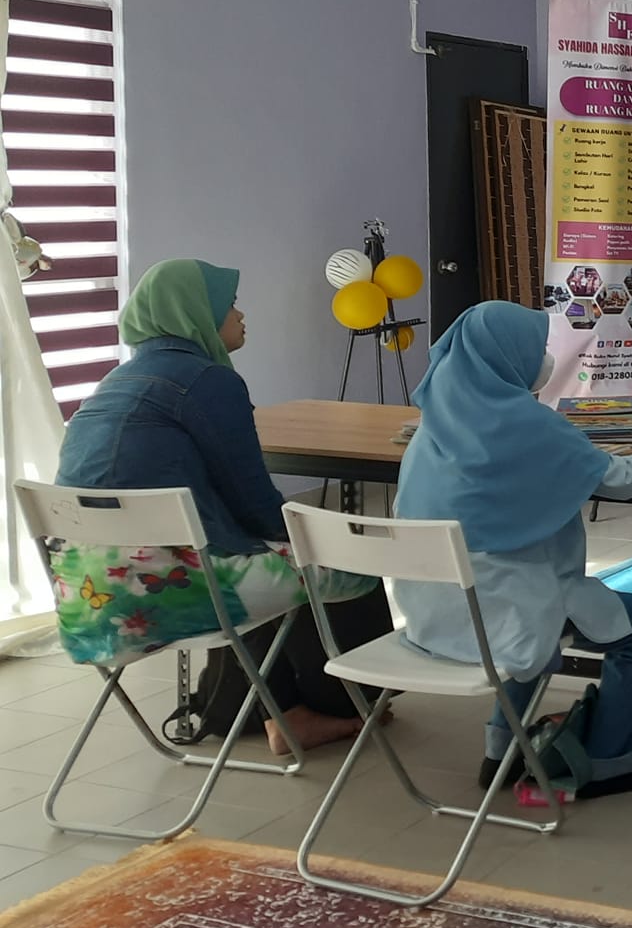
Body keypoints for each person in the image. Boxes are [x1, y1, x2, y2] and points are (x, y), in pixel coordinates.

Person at [53, 259, 391, 753]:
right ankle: (341, 706)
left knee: (263, 557)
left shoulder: (116, 382)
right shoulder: (207, 381)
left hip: (86, 598)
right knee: (345, 562)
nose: (240, 314)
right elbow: (255, 504)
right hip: (172, 591)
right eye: (229, 304)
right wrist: (326, 540)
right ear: (194, 313)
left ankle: (265, 709)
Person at [391, 301, 632, 799]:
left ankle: (502, 747)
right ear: (508, 358)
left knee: (530, 606)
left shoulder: (431, 427)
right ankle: (611, 760)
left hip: (430, 614)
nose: (545, 358)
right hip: (504, 612)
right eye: (537, 348)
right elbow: (623, 479)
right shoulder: (528, 426)